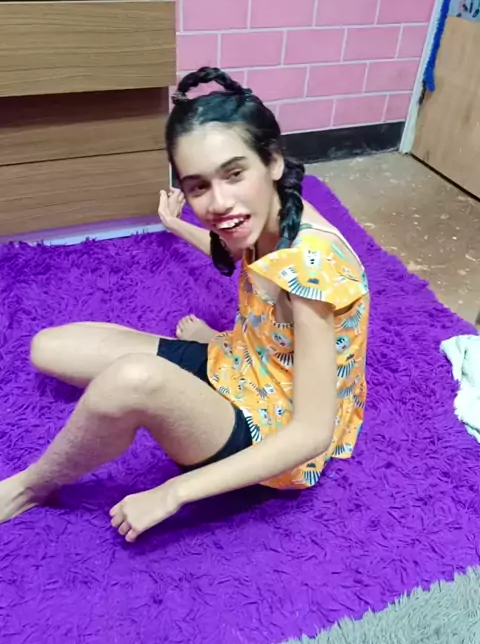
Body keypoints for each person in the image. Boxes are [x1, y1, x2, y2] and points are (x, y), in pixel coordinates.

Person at [0, 67, 369, 542]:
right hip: (238, 361)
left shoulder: (313, 269)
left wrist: (174, 492)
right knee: (49, 348)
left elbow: (312, 433)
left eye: (234, 174)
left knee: (132, 380)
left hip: (274, 427)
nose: (219, 203)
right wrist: (176, 226)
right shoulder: (263, 215)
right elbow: (230, 248)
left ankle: (31, 487)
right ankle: (174, 379)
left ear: (273, 161)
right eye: (198, 186)